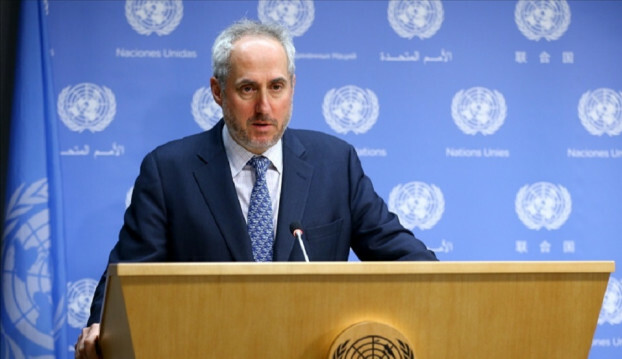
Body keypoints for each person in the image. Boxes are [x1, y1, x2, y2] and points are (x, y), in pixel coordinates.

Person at [74, 19, 437, 359]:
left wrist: (451, 292)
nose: (264, 107)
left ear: (293, 87)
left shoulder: (335, 163)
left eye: (276, 87)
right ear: (217, 91)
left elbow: (409, 263)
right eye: (248, 88)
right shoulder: (169, 171)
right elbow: (126, 278)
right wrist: (102, 326)